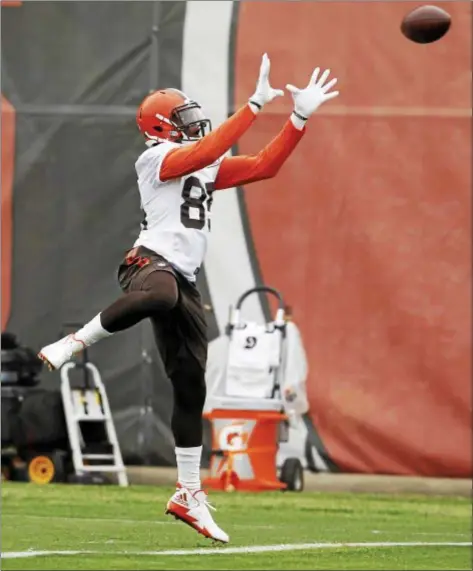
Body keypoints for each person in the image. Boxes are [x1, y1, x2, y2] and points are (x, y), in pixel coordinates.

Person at [38, 54, 339, 543]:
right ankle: (75, 342)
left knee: (190, 386)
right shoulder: (154, 158)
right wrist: (254, 105)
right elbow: (200, 156)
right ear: (159, 127)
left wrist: (298, 118)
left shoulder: (202, 161)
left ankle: (189, 493)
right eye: (182, 119)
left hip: (183, 278)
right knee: (159, 293)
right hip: (146, 263)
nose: (194, 125)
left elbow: (264, 166)